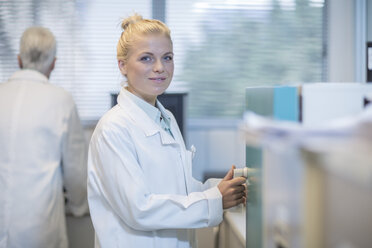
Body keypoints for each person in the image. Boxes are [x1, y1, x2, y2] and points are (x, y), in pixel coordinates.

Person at [87, 14, 247, 248]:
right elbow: (139, 209)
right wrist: (212, 201)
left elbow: (174, 188)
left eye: (167, 57)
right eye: (146, 58)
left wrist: (215, 189)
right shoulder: (113, 129)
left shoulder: (166, 118)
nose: (160, 68)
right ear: (122, 65)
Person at [0, 26, 88, 248]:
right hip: (38, 229)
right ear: (54, 63)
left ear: (19, 60)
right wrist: (80, 206)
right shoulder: (61, 100)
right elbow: (76, 171)